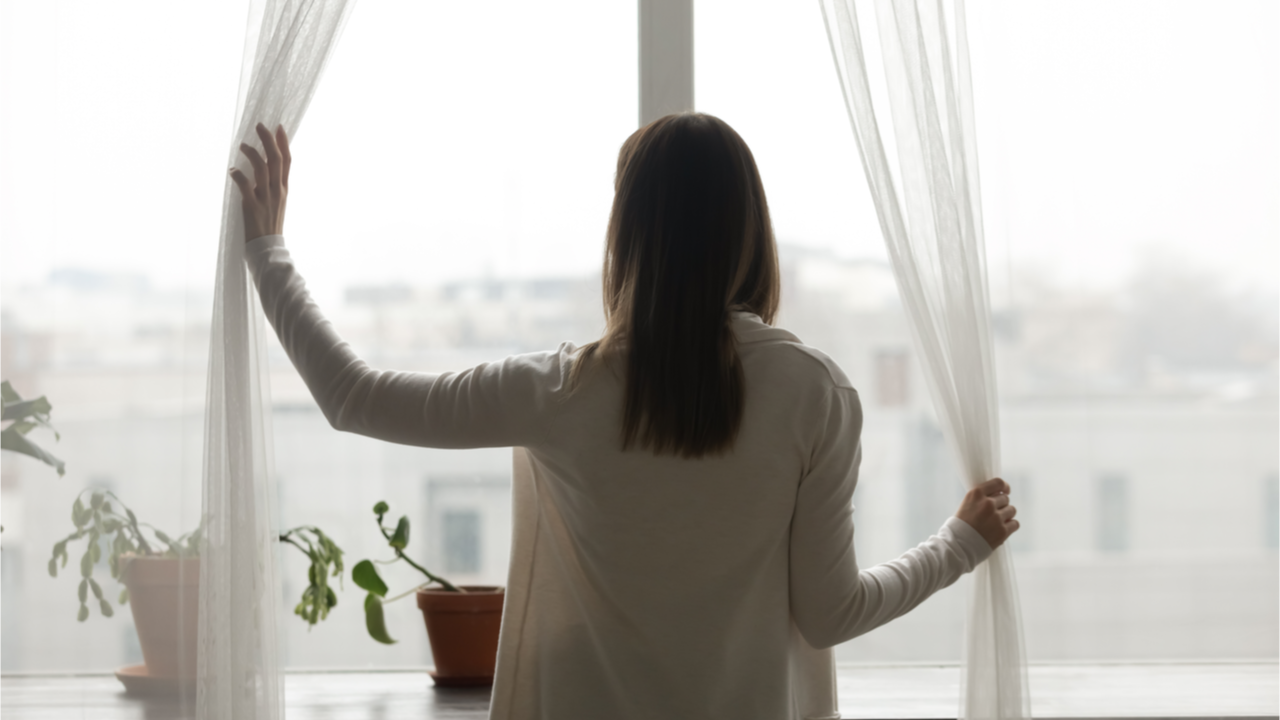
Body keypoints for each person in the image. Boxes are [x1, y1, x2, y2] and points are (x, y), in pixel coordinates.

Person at [230, 114, 1018, 720]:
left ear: (628, 238)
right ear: (750, 232)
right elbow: (830, 611)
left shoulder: (556, 391)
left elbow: (351, 396)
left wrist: (267, 250)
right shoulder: (815, 392)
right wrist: (959, 545)